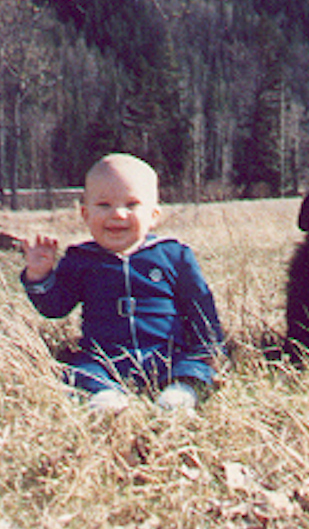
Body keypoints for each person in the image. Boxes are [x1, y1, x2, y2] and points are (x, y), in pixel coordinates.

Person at [21, 153, 225, 412]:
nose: (117, 214)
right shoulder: (81, 259)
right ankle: (104, 397)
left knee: (192, 367)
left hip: (165, 352)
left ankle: (179, 394)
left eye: (131, 205)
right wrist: (40, 276)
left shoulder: (173, 255)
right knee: (78, 371)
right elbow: (55, 307)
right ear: (85, 213)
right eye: (104, 205)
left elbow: (200, 305)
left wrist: (210, 349)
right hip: (105, 356)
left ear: (153, 215)